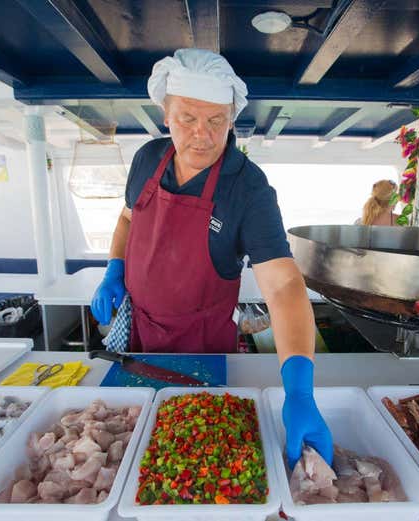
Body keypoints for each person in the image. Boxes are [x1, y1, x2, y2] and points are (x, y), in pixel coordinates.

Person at [90, 48, 332, 467]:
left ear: (232, 119)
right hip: (139, 339)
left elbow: (284, 285)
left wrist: (299, 390)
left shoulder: (249, 190)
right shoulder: (148, 158)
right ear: (166, 113)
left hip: (205, 350)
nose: (201, 134)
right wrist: (115, 269)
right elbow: (127, 220)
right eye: (187, 118)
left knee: (195, 459)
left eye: (216, 120)